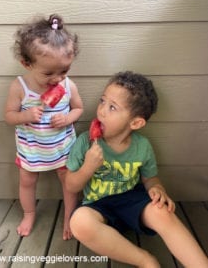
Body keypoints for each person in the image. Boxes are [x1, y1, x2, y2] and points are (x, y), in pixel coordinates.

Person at [65, 71, 208, 267]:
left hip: (132, 199)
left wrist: (157, 188)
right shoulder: (84, 142)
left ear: (136, 122)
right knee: (79, 222)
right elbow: (71, 185)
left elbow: (151, 178)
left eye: (112, 107)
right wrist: (88, 168)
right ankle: (145, 260)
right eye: (102, 101)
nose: (102, 111)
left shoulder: (142, 146)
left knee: (162, 212)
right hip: (98, 205)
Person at [4, 14, 83, 240]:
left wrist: (68, 119)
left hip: (63, 148)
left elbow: (78, 108)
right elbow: (9, 116)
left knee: (68, 182)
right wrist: (25, 115)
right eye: (48, 73)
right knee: (27, 182)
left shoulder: (69, 85)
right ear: (27, 64)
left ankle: (69, 216)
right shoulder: (19, 87)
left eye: (64, 71)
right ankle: (29, 213)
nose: (57, 79)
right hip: (31, 150)